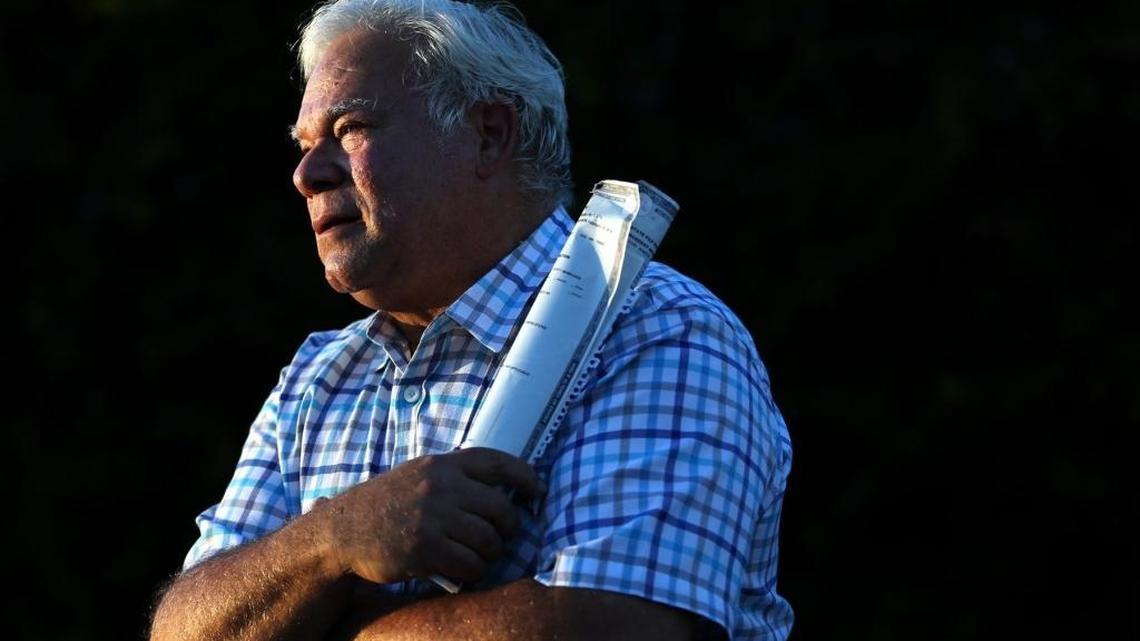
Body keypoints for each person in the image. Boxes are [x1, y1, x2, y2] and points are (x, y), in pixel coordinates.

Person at [149, 0, 793, 639]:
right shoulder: (319, 376)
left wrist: (318, 618)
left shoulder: (657, 331)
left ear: (489, 133)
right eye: (305, 145)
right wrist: (331, 539)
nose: (306, 175)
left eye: (350, 129)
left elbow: (614, 627)